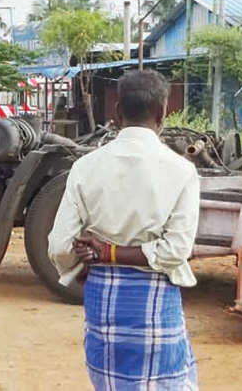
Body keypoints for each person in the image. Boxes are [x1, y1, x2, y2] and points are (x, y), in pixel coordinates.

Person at [47, 69, 200, 390]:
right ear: (162, 112)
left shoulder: (84, 167)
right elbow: (176, 251)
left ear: (117, 112)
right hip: (158, 308)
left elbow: (61, 246)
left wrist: (91, 260)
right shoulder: (182, 171)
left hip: (104, 305)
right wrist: (114, 252)